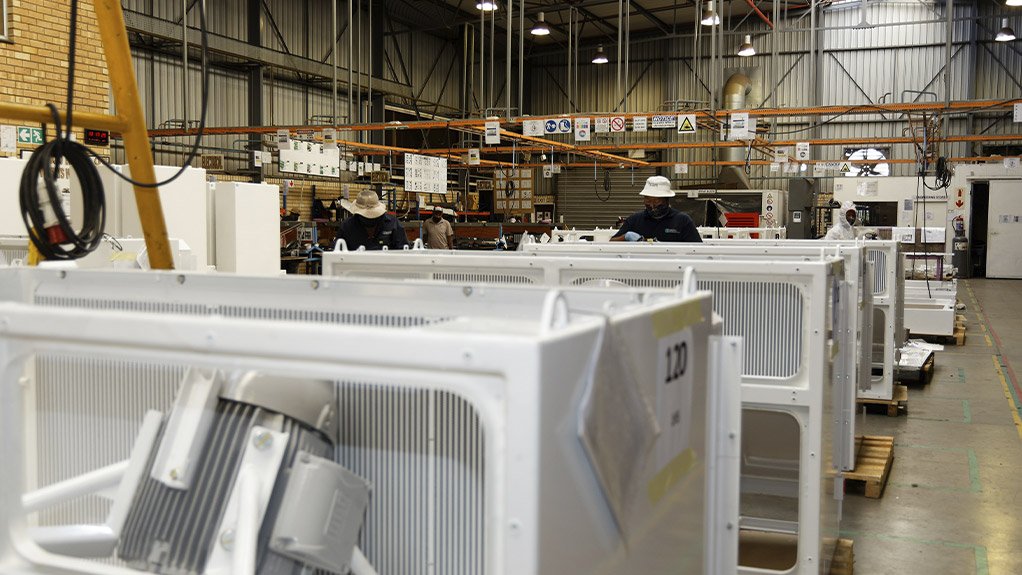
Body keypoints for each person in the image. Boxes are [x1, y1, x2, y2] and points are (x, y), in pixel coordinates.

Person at [611, 175, 702, 242]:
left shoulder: (682, 221)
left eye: (656, 201)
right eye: (648, 200)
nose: (652, 205)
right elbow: (611, 243)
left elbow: (698, 250)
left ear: (667, 200)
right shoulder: (634, 220)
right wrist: (625, 236)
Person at [338, 190, 409, 250]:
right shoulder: (347, 226)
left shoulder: (393, 224)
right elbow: (337, 252)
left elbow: (404, 251)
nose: (369, 220)